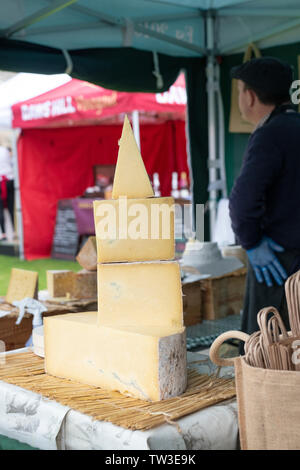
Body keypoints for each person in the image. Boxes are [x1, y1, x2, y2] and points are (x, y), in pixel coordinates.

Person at [229, 57, 300, 341]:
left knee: (266, 349)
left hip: (279, 265)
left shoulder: (269, 134)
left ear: (250, 96)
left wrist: (252, 242)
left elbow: (243, 201)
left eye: (239, 92)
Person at [0, 144, 15, 241]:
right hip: (9, 180)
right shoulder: (5, 150)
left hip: (4, 180)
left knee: (1, 209)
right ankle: (13, 232)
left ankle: (4, 233)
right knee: (11, 208)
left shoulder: (5, 150)